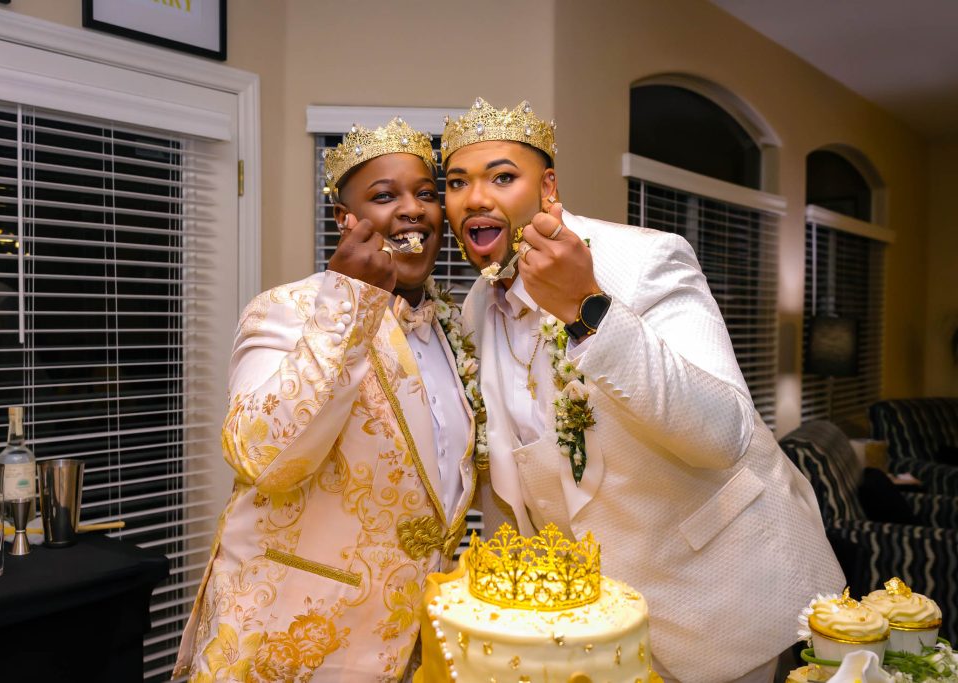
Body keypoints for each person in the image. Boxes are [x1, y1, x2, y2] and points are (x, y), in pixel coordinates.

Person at [441, 98, 845, 683]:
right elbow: (511, 481)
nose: (475, 198)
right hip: (592, 628)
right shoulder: (478, 306)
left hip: (721, 595)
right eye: (457, 182)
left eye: (502, 176)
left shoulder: (646, 260)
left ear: (547, 186)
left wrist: (588, 310)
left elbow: (723, 433)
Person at [174, 117, 481, 682]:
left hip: (402, 648)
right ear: (347, 220)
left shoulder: (452, 329)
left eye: (427, 194)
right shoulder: (285, 309)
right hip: (284, 638)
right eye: (386, 196)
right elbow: (260, 457)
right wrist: (348, 302)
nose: (413, 208)